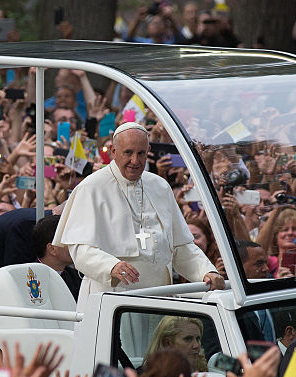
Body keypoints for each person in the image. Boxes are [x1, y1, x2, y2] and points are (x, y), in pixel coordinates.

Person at [52, 122, 223, 311]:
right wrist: (111, 266)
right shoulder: (91, 188)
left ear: (148, 150)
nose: (135, 160)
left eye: (141, 153)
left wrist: (205, 271)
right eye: (128, 153)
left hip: (159, 296)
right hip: (113, 296)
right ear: (113, 152)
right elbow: (80, 249)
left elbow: (180, 246)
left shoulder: (160, 186)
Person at [31, 214, 82, 300]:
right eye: (70, 240)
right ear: (52, 249)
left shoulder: (77, 277)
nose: (77, 245)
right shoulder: (28, 277)